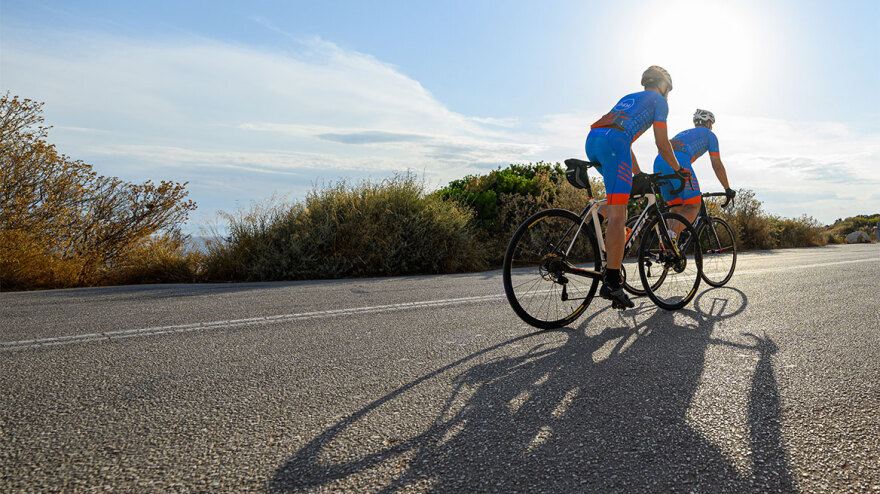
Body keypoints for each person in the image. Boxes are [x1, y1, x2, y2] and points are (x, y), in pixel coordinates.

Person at [585, 65, 691, 309]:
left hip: (594, 141)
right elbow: (662, 143)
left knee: (617, 199)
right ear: (664, 86)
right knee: (618, 215)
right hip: (615, 144)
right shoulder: (659, 102)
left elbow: (623, 136)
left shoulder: (629, 98)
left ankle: (596, 222)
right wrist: (678, 169)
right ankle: (612, 282)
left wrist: (639, 174)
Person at [653, 109, 735, 236]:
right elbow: (717, 165)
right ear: (708, 124)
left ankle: (669, 250)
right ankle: (671, 236)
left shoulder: (684, 133)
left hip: (658, 162)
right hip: (678, 161)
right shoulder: (709, 135)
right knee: (693, 206)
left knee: (676, 208)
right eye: (711, 124)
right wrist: (727, 188)